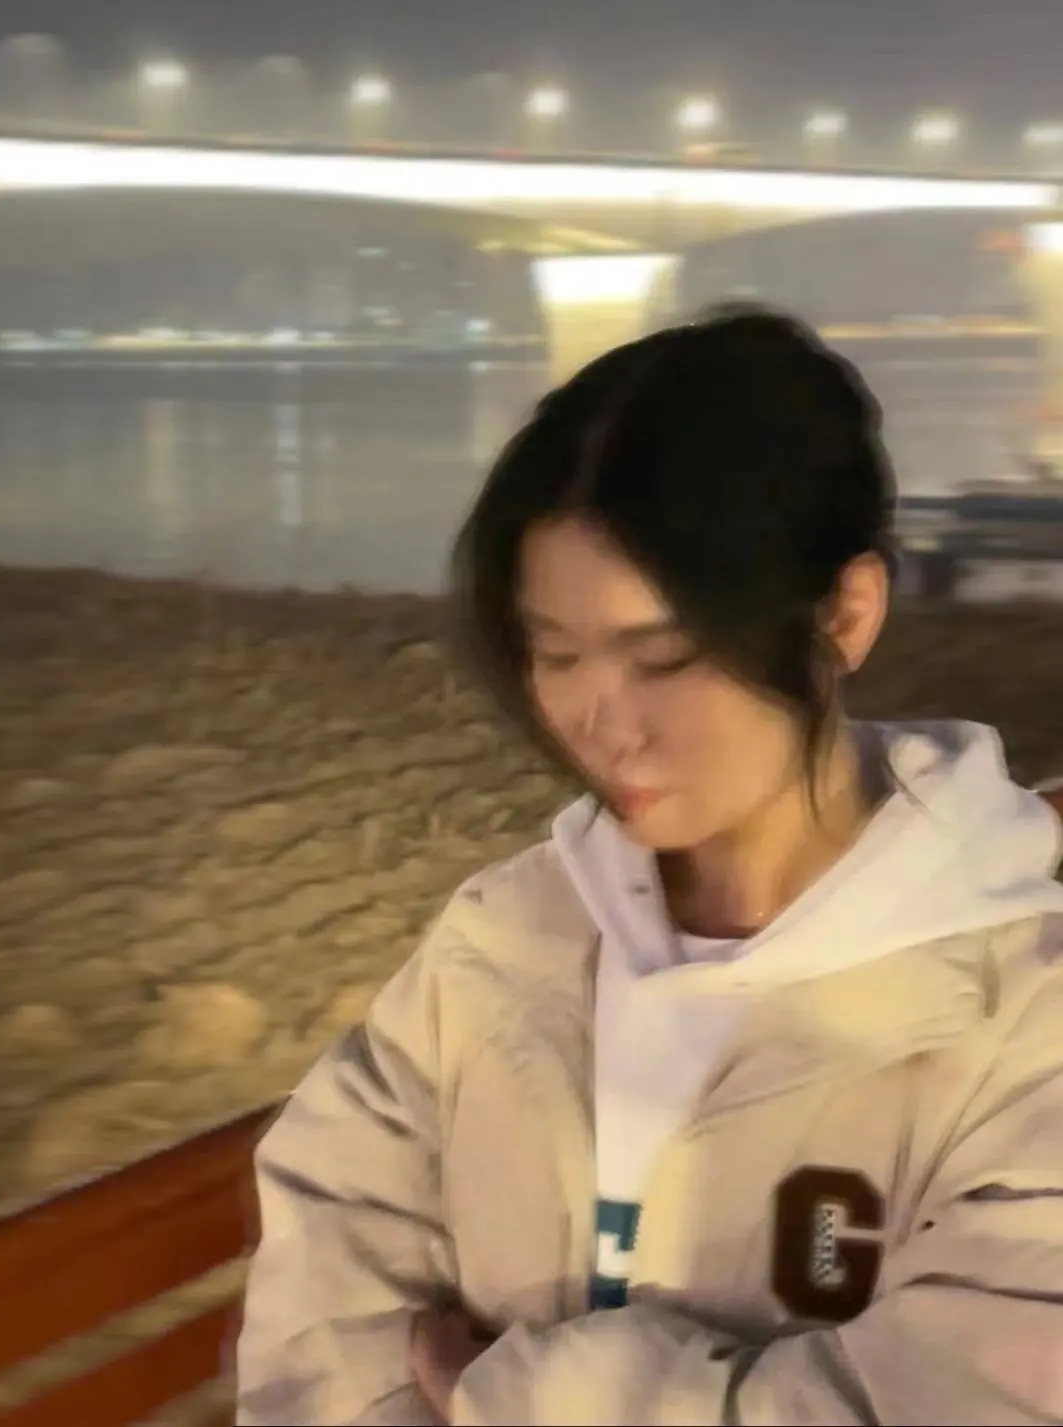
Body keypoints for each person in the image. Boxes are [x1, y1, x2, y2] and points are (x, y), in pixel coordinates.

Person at [236, 305, 1063, 1426]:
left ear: (844, 614)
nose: (603, 722)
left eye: (664, 656)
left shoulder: (1021, 1013)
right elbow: (330, 1251)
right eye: (555, 652)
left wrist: (513, 1396)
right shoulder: (511, 934)